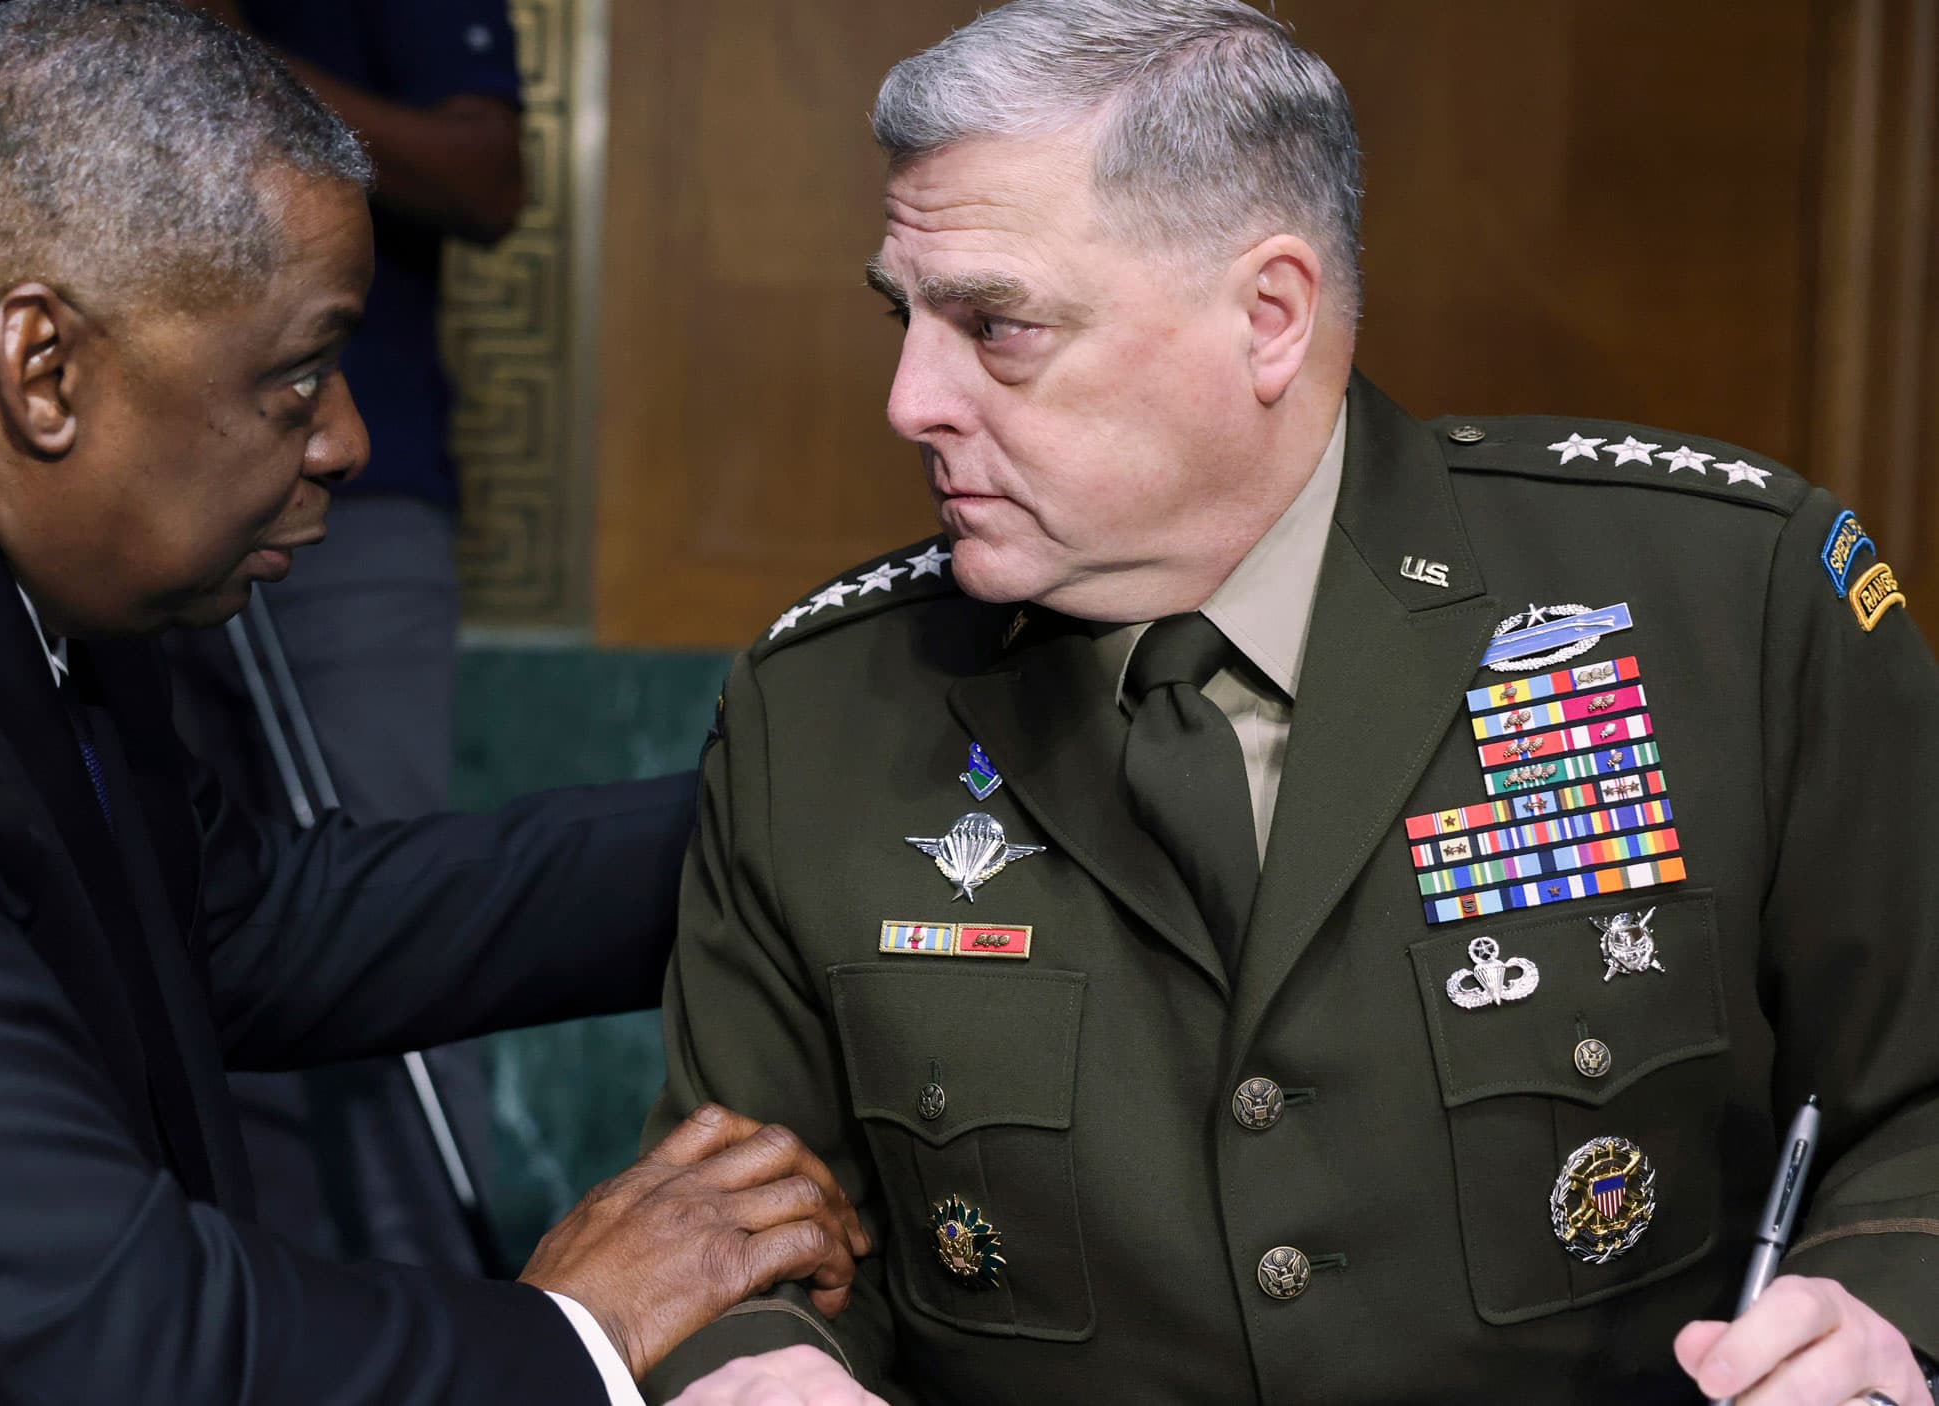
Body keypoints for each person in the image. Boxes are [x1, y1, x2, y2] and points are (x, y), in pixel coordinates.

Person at [0, 3, 871, 1401]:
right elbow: (93, 1346)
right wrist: (575, 1332)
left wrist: (810, 842)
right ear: (44, 366)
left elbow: (248, 921)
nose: (348, 441)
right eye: (301, 373)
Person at [640, 2, 1939, 1403]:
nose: (909, 399)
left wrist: (1875, 1311)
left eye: (997, 325)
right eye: (907, 318)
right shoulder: (821, 708)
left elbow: (1916, 1099)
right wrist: (759, 1361)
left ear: (1269, 317)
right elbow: (735, 1236)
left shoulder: (1725, 606)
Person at [160, 0, 529, 1277]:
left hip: (352, 522)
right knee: (189, 933)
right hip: (124, 499)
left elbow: (487, 177)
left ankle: (450, 1330)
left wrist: (220, 48)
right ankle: (269, 1320)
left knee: (387, 932)